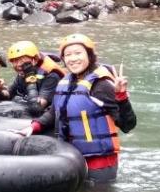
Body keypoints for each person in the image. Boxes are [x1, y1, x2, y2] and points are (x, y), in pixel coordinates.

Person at [25, 34, 136, 183]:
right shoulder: (65, 82)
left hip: (99, 162)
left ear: (89, 55)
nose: (73, 58)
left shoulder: (101, 85)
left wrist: (121, 97)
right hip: (70, 157)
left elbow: (128, 125)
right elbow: (54, 112)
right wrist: (35, 126)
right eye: (68, 55)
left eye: (78, 53)